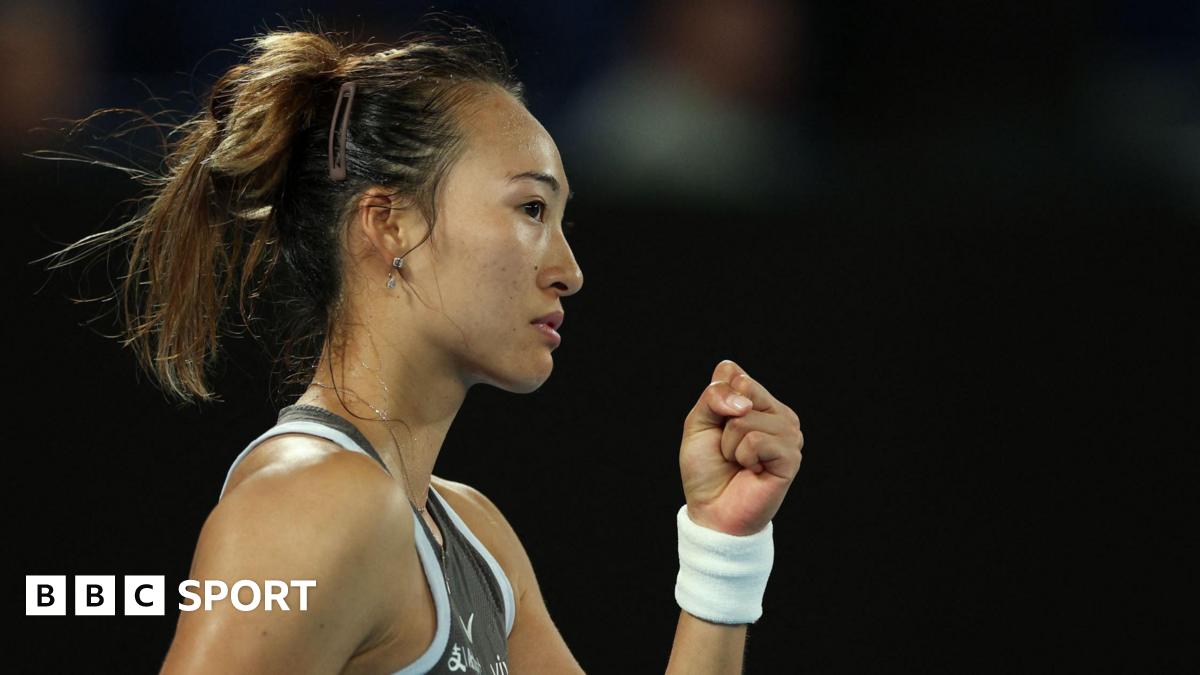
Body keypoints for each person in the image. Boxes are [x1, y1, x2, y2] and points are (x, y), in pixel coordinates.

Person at [43, 22, 804, 674]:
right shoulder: (313, 502)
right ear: (391, 223)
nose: (568, 269)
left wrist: (720, 543)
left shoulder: (479, 540)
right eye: (531, 207)